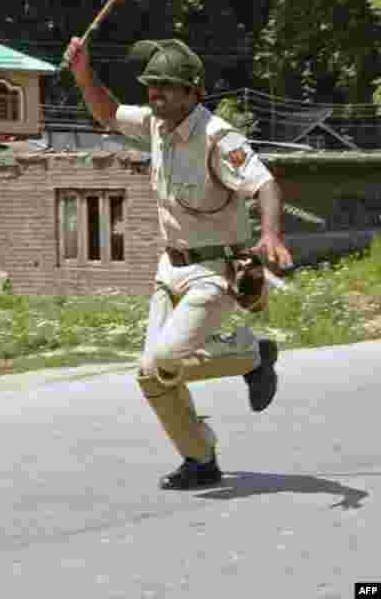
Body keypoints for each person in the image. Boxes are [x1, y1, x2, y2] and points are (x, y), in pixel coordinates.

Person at [65, 37, 294, 490]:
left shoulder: (218, 137)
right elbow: (107, 112)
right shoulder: (156, 124)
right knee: (150, 377)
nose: (156, 95)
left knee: (165, 359)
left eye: (167, 87)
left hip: (215, 272)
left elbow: (264, 184)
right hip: (170, 269)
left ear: (193, 92)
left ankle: (251, 356)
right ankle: (200, 459)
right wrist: (82, 72)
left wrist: (270, 235)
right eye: (152, 86)